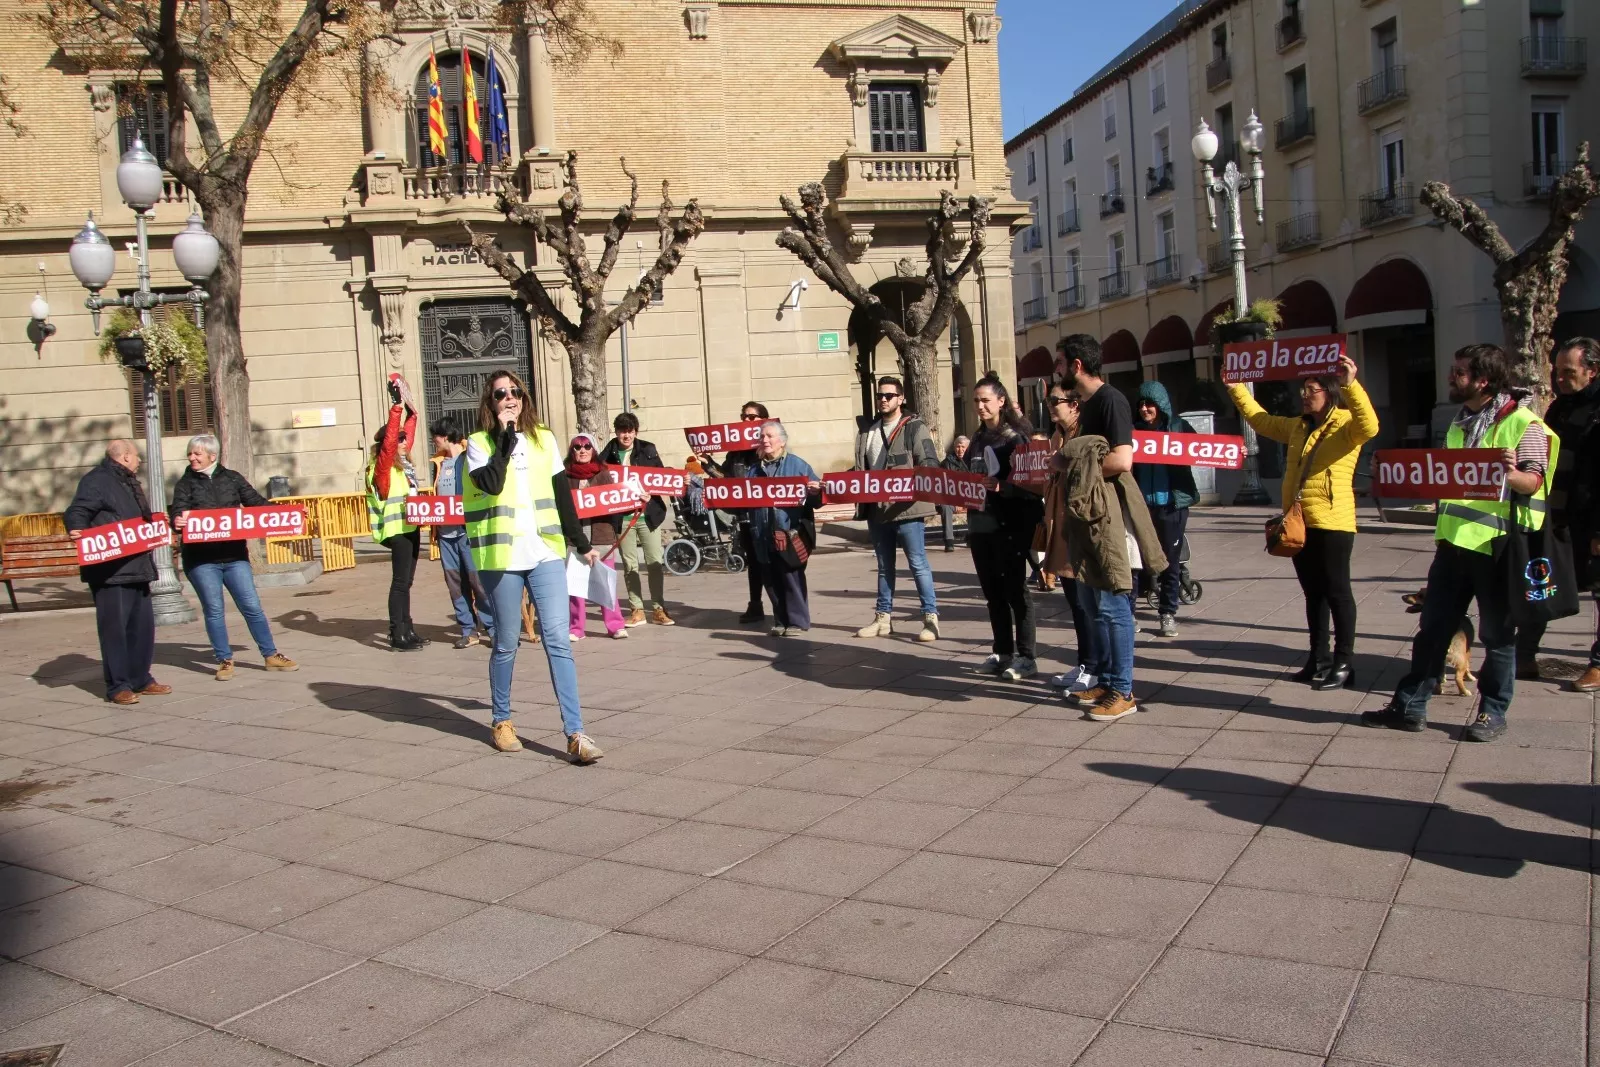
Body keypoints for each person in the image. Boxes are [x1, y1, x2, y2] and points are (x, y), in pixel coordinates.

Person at [1363, 344, 1551, 742]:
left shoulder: (1524, 423)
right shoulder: (1460, 422)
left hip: (1498, 546)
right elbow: (1446, 480)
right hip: (1453, 545)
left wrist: (1507, 473)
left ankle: (1492, 713)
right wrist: (1395, 473)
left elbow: (1535, 480)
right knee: (1432, 629)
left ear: (1483, 379)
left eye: (1460, 371)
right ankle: (1410, 706)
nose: (1451, 376)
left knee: (1498, 636)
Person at [464, 370, 604, 760]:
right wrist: (505, 441)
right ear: (490, 404)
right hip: (502, 558)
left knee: (558, 641)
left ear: (524, 398)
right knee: (507, 642)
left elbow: (562, 499)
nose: (509, 398)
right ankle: (502, 720)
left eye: (515, 392)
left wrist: (581, 544)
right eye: (500, 394)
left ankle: (576, 733)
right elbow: (491, 483)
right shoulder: (477, 444)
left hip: (544, 552)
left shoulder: (545, 439)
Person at [1229, 353, 1376, 690]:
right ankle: (1318, 658)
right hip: (1300, 522)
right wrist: (1236, 388)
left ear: (1329, 392)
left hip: (1333, 521)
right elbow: (1262, 421)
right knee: (1313, 594)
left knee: (1337, 592)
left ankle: (1344, 662)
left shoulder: (1345, 424)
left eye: (1311, 390)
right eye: (1303, 390)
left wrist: (1351, 385)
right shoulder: (1299, 426)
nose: (1305, 395)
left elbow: (1370, 425)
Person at [169, 434, 298, 680]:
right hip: (201, 561)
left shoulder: (232, 478)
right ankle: (224, 659)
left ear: (212, 456)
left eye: (197, 453)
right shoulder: (184, 483)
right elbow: (178, 510)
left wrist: (286, 513)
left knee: (252, 607)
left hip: (234, 556)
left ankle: (270, 654)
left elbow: (255, 502)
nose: (192, 457)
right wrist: (178, 520)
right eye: (190, 453)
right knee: (214, 609)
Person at [1056, 334, 1137, 707]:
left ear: (1076, 365)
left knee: (1113, 607)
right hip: (1086, 516)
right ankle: (1104, 681)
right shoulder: (1088, 405)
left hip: (1108, 519)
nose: (1056, 370)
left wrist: (1075, 473)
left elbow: (1121, 460)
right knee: (1091, 605)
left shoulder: (1112, 400)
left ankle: (1123, 690)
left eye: (1060, 363)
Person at [1516, 337, 1600, 690]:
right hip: (1555, 515)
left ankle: (1597, 665)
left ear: (1592, 371)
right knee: (1541, 582)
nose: (1560, 378)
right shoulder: (1558, 408)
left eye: (1569, 371)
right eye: (1557, 372)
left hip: (1591, 518)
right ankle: (1525, 653)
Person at [65, 440, 172, 704]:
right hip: (111, 571)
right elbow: (78, 510)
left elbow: (135, 519)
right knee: (115, 630)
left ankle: (141, 679)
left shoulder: (128, 481)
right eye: (136, 457)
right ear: (125, 457)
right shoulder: (97, 480)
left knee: (142, 629)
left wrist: (157, 522)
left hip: (138, 567)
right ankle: (118, 686)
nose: (138, 462)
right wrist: (76, 527)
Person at [965, 372, 1044, 680]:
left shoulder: (1016, 438)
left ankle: (1027, 657)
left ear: (1001, 402)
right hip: (980, 526)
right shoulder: (976, 438)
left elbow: (1031, 484)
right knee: (993, 593)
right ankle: (1002, 651)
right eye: (976, 401)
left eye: (985, 400)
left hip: (1010, 525)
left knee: (1015, 590)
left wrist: (1002, 488)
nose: (980, 406)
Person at [853, 376, 940, 642]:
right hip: (878, 511)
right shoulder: (867, 431)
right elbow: (861, 470)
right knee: (883, 566)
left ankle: (931, 619)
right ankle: (883, 618)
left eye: (889, 395)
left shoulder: (914, 428)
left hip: (908, 509)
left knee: (918, 564)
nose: (883, 399)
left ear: (901, 399)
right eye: (880, 395)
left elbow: (929, 463)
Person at [1038, 382, 1099, 695]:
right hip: (1061, 527)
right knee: (1075, 601)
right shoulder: (1059, 434)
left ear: (1075, 405)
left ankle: (1096, 667)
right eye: (1048, 400)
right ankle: (1085, 662)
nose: (1050, 405)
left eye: (1055, 400)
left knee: (1087, 602)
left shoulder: (1083, 433)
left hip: (1079, 528)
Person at [1134, 381, 1199, 639]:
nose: (1144, 409)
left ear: (1160, 405)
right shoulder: (1133, 432)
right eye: (1141, 404)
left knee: (1171, 562)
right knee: (1135, 561)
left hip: (1172, 506)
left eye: (1149, 403)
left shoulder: (1179, 428)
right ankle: (1129, 612)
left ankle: (1167, 612)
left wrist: (1234, 452)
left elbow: (1208, 451)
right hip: (1141, 507)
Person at [746, 420, 823, 636]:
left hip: (789, 533)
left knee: (791, 576)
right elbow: (741, 500)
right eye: (762, 436)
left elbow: (816, 500)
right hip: (761, 533)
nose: (765, 440)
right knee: (770, 579)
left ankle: (798, 622)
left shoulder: (798, 465)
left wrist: (815, 491)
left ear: (782, 441)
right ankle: (780, 620)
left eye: (769, 436)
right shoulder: (753, 470)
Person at [696, 402, 770, 621]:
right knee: (754, 562)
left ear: (763, 420)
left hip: (768, 516)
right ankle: (755, 605)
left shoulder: (769, 446)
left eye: (752, 417)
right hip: (745, 516)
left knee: (772, 562)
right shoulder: (736, 453)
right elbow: (726, 478)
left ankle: (784, 607)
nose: (746, 421)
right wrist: (707, 463)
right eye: (743, 417)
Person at [368, 376, 426, 651]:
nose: (405, 441)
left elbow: (407, 433)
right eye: (399, 438)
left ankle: (408, 629)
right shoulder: (383, 468)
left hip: (411, 527)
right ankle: (397, 634)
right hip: (397, 530)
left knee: (408, 581)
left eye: (405, 438)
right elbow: (392, 440)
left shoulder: (404, 464)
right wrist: (396, 408)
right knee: (400, 582)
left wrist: (412, 411)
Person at [600, 412, 674, 626]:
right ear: (617, 432)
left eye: (630, 431)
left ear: (636, 431)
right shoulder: (607, 455)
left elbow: (660, 475)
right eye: (623, 431)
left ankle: (659, 608)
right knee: (630, 565)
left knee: (654, 562)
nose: (627, 435)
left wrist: (653, 490)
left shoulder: (648, 449)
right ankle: (637, 609)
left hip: (648, 515)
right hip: (622, 518)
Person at [429, 417, 494, 650]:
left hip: (468, 533)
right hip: (445, 535)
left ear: (445, 436)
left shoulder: (469, 459)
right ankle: (468, 630)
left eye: (435, 437)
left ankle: (493, 628)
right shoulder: (438, 463)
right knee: (455, 584)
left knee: (478, 583)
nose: (434, 442)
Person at [565, 431, 628, 641]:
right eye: (577, 447)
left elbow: (617, 501)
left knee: (605, 584)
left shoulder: (603, 473)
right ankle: (576, 628)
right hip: (575, 540)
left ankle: (615, 625)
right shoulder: (564, 475)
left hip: (601, 538)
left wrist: (638, 498)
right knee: (576, 586)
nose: (582, 450)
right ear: (571, 451)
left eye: (586, 446)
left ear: (593, 450)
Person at [939, 434, 969, 551]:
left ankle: (971, 537)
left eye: (963, 447)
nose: (960, 449)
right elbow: (944, 486)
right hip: (951, 499)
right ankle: (949, 541)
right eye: (958, 446)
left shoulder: (972, 462)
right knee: (945, 507)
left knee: (977, 505)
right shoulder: (946, 463)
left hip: (968, 497)